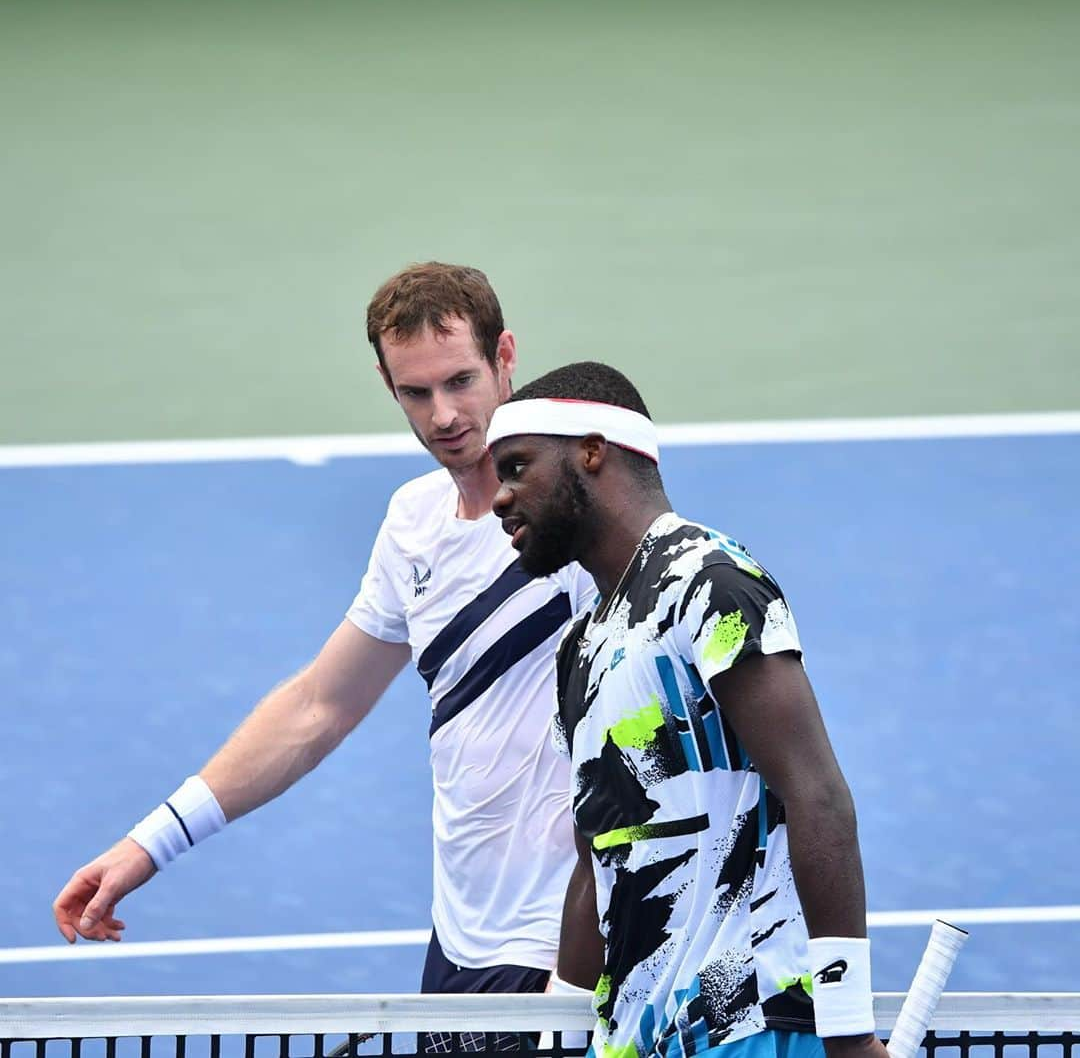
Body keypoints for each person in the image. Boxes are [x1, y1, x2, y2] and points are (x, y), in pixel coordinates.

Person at [52, 264, 597, 1017]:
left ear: (506, 356)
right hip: (464, 942)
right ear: (387, 384)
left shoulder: (577, 511)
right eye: (416, 392)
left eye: (461, 380)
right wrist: (149, 843)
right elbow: (319, 704)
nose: (443, 414)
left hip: (566, 950)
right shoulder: (414, 523)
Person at [486, 362, 889, 1058]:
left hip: (748, 1025)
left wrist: (849, 1033)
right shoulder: (579, 648)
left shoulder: (709, 583)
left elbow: (818, 794)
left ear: (590, 450)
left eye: (518, 466)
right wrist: (557, 1033)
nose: (498, 497)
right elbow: (595, 858)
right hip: (638, 1042)